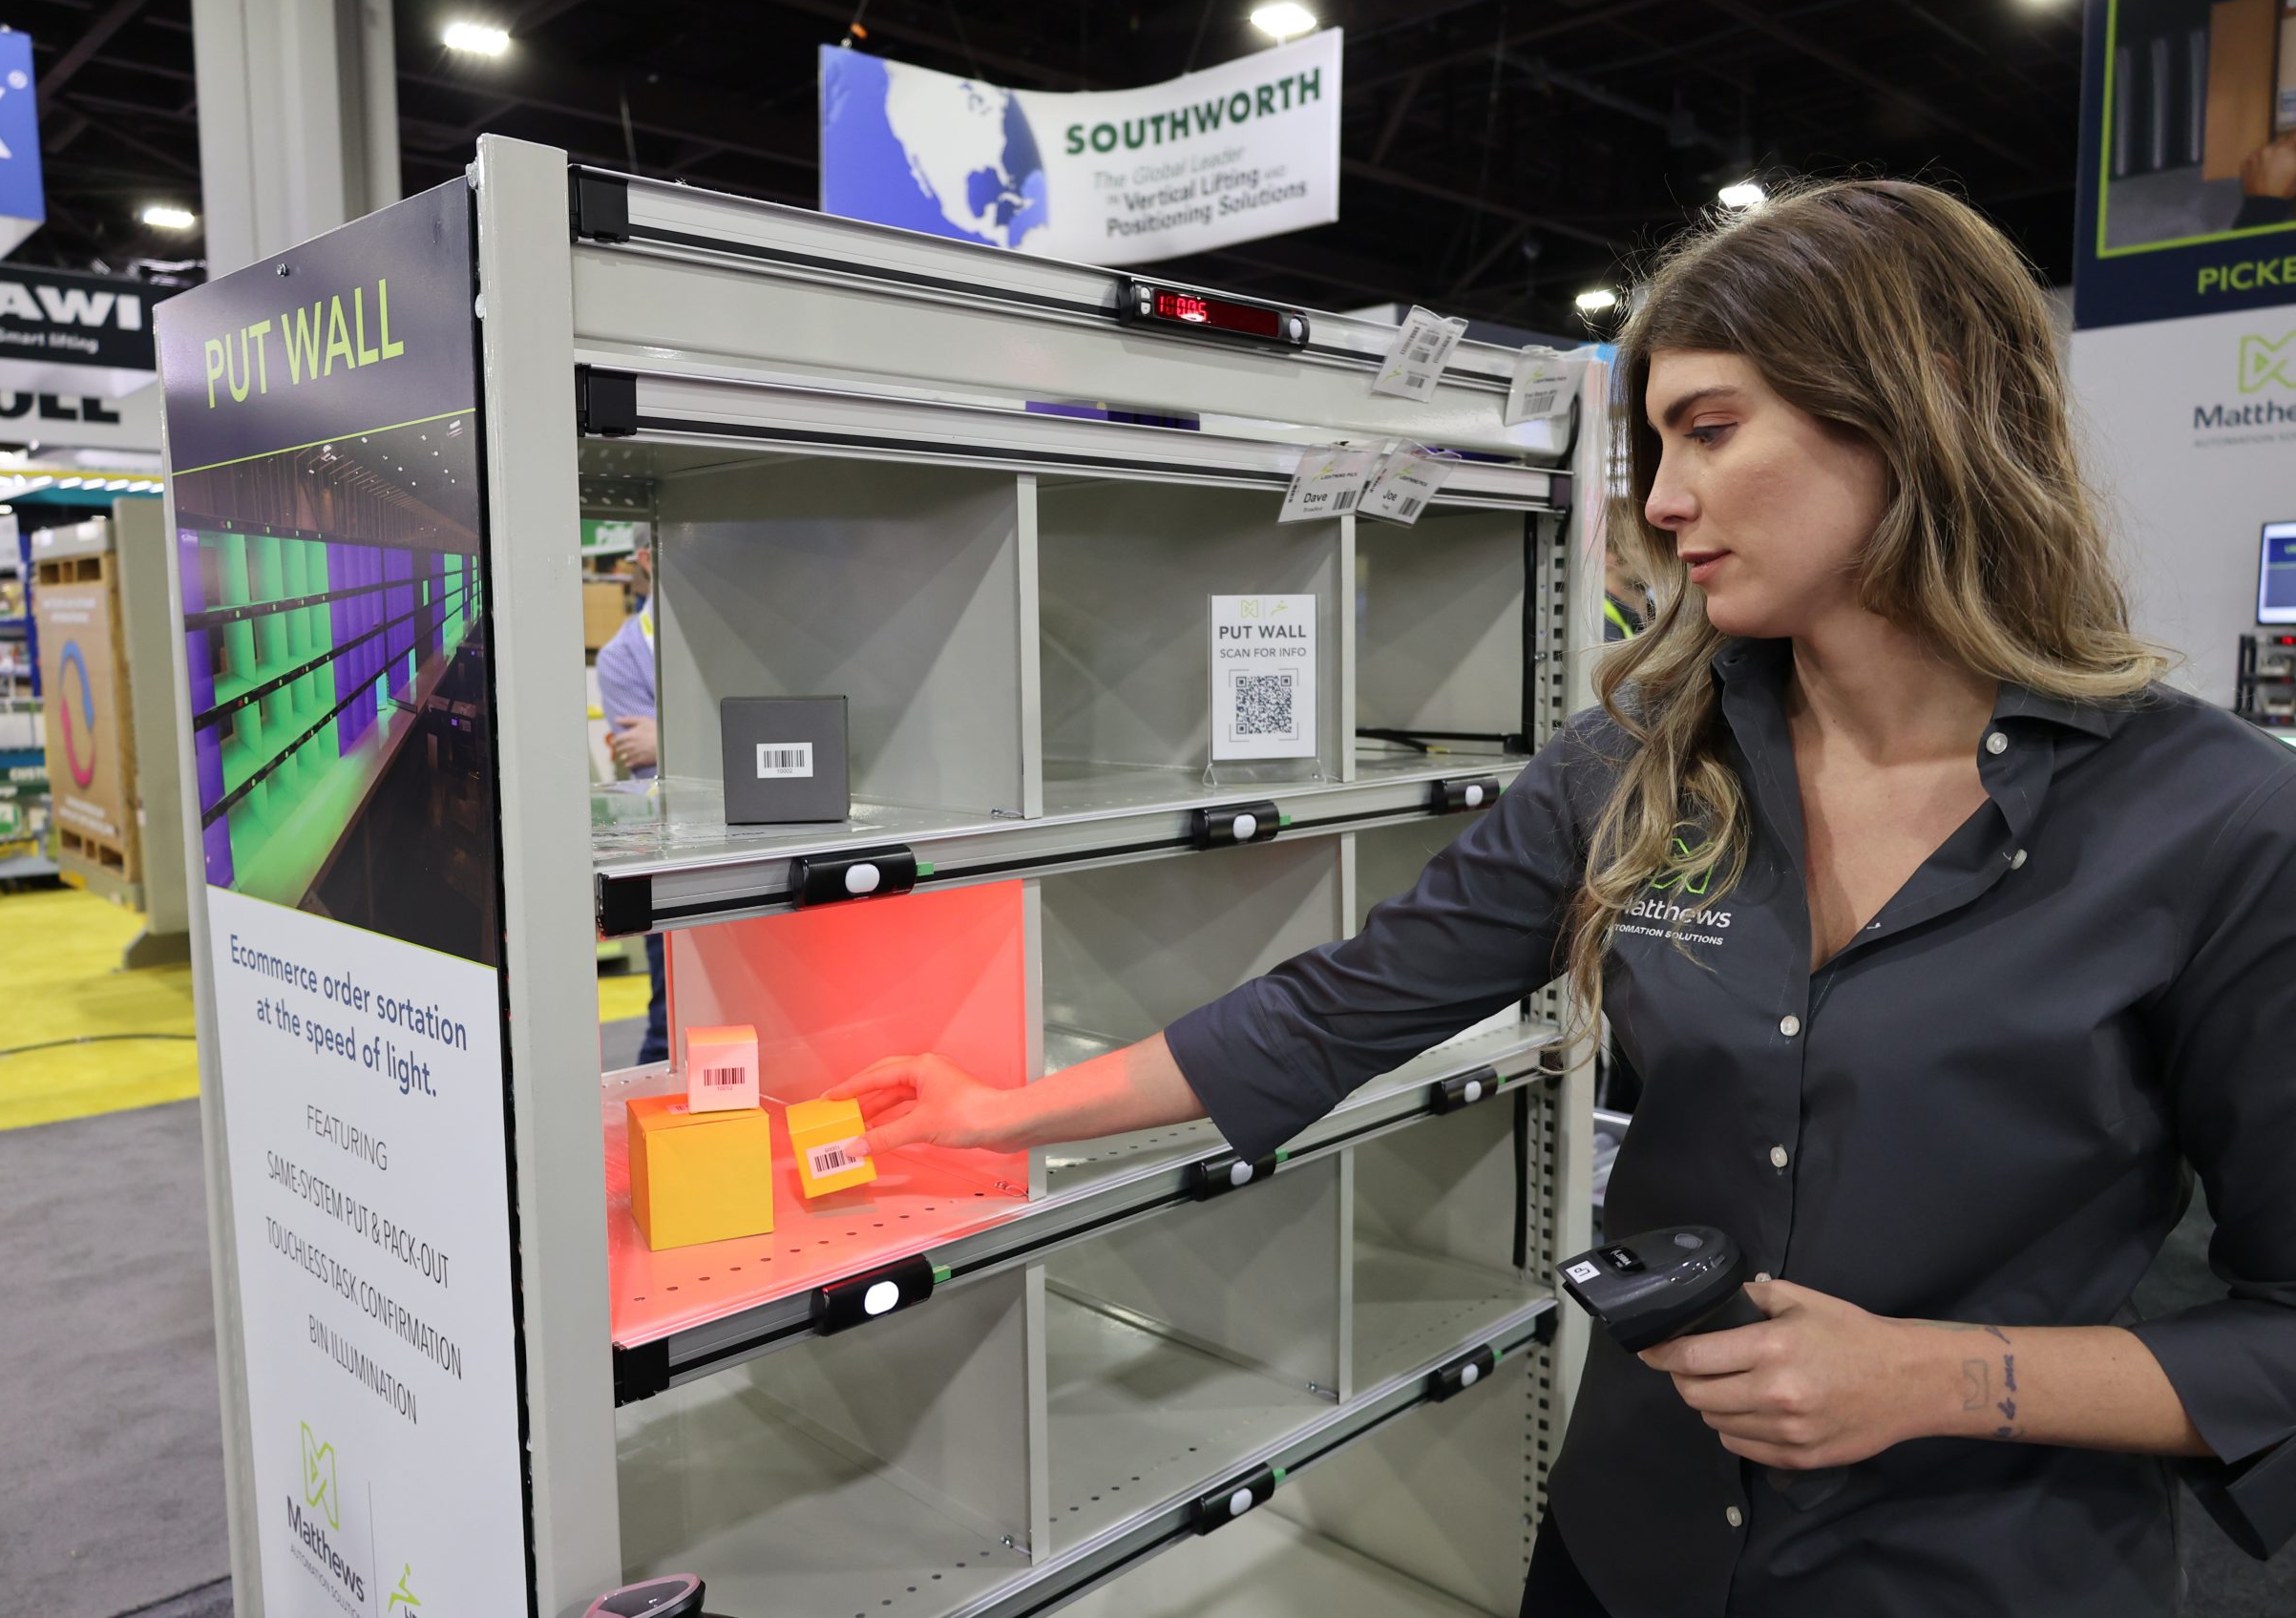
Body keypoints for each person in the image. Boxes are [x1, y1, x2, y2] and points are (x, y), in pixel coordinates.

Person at [830, 181, 2296, 1616]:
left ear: (1913, 419)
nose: (1663, 502)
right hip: (1632, 1538)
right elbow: (1341, 1006)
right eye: (1657, 442)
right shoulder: (1640, 768)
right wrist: (994, 1113)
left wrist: (1945, 1375)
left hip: (1975, 1561)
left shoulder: (2215, 818)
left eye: (1711, 431)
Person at [594, 548, 668, 1066]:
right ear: (648, 555)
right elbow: (649, 770)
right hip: (674, 851)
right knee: (671, 1015)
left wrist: (668, 738)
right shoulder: (623, 656)